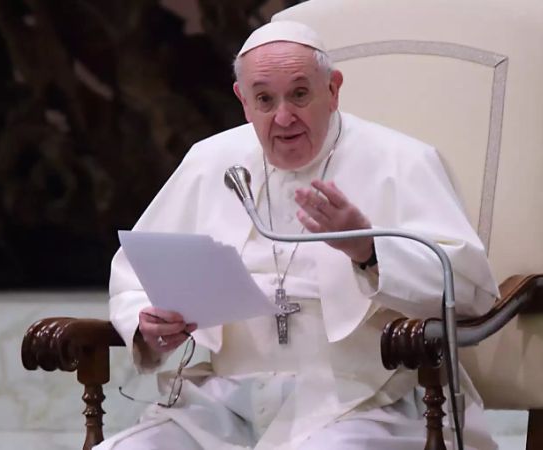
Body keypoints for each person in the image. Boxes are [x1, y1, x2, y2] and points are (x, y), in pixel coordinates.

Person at [97, 20, 500, 450]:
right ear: (243, 102)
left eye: (300, 94)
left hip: (364, 399)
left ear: (333, 89)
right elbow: (135, 274)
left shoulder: (401, 160)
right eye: (265, 100)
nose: (284, 117)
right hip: (225, 400)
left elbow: (469, 289)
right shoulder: (209, 161)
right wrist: (150, 326)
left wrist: (368, 250)